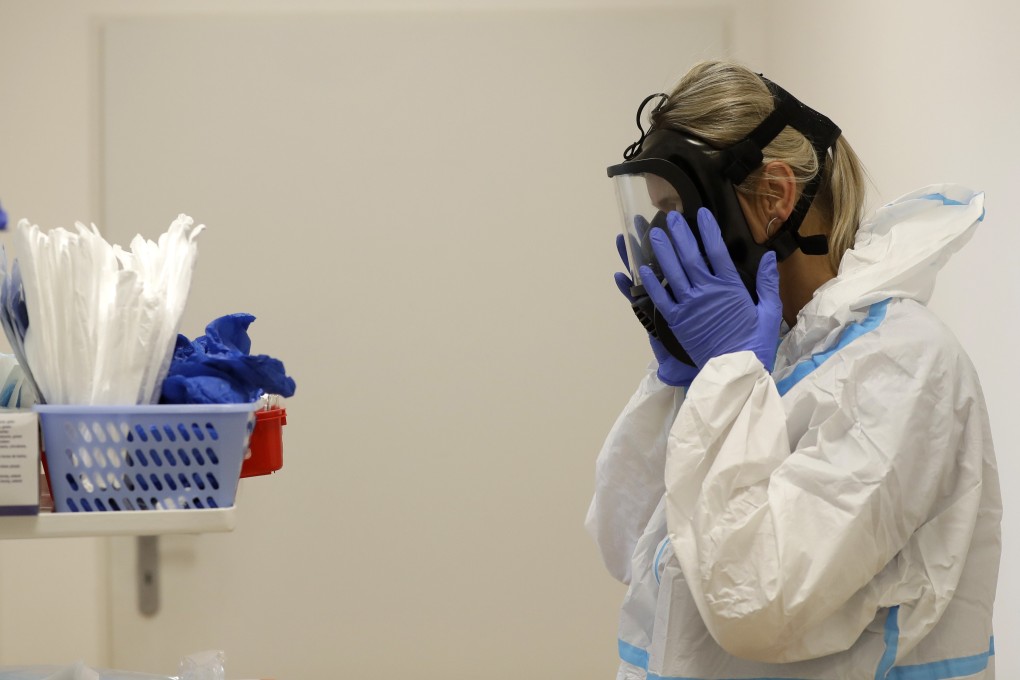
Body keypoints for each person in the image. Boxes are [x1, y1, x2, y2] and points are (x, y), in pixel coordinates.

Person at [585, 60, 1001, 680]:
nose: (661, 240)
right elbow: (623, 542)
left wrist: (724, 381)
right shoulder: (765, 355)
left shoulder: (902, 365)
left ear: (776, 197)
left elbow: (756, 601)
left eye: (677, 209)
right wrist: (686, 388)